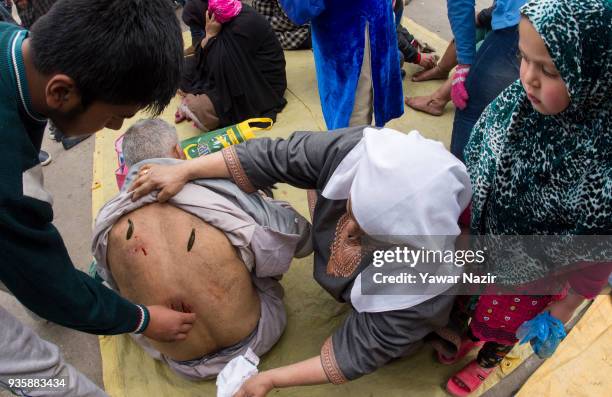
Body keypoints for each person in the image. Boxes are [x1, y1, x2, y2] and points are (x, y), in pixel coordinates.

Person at [128, 127, 473, 395]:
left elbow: (360, 351)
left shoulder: (425, 281)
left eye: (367, 234)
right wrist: (186, 170)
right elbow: (273, 156)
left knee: (396, 345)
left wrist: (271, 379)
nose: (347, 229)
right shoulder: (356, 153)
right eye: (350, 209)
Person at [0, 1, 195, 395]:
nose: (115, 126)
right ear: (62, 91)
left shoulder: (17, 49)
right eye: (115, 115)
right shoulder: (8, 178)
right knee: (36, 372)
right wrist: (141, 318)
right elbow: (50, 282)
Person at [441, 0, 612, 394]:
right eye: (523, 58)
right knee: (474, 299)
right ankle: (471, 332)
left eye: (549, 70)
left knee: (503, 321)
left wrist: (565, 309)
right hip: (486, 242)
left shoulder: (601, 169)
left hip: (532, 276)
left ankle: (489, 358)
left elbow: (597, 254)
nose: (528, 78)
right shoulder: (513, 105)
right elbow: (479, 159)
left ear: (597, 75)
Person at [92, 119, 311, 379]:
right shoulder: (219, 188)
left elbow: (113, 286)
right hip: (257, 336)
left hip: (181, 362)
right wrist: (261, 202)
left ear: (127, 167)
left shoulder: (106, 224)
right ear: (177, 152)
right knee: (261, 229)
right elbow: (302, 240)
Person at [278, 0, 403, 128]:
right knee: (352, 115)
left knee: (355, 116)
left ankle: (357, 144)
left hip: (359, 28)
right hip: (349, 32)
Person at [178, 0, 287, 131]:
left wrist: (211, 35)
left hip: (262, 85)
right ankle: (200, 101)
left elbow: (221, 70)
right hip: (239, 72)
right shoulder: (222, 16)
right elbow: (206, 57)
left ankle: (201, 106)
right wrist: (209, 36)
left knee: (198, 108)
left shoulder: (242, 24)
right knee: (181, 69)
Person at [447, 0, 527, 162]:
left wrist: (465, 62)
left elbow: (460, 3)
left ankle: (461, 179)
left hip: (521, 22)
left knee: (471, 111)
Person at [405, 6, 494, 117]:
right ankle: (441, 70)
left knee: (485, 47)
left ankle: (437, 101)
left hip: (513, 32)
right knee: (470, 26)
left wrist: (483, 16)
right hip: (503, 15)